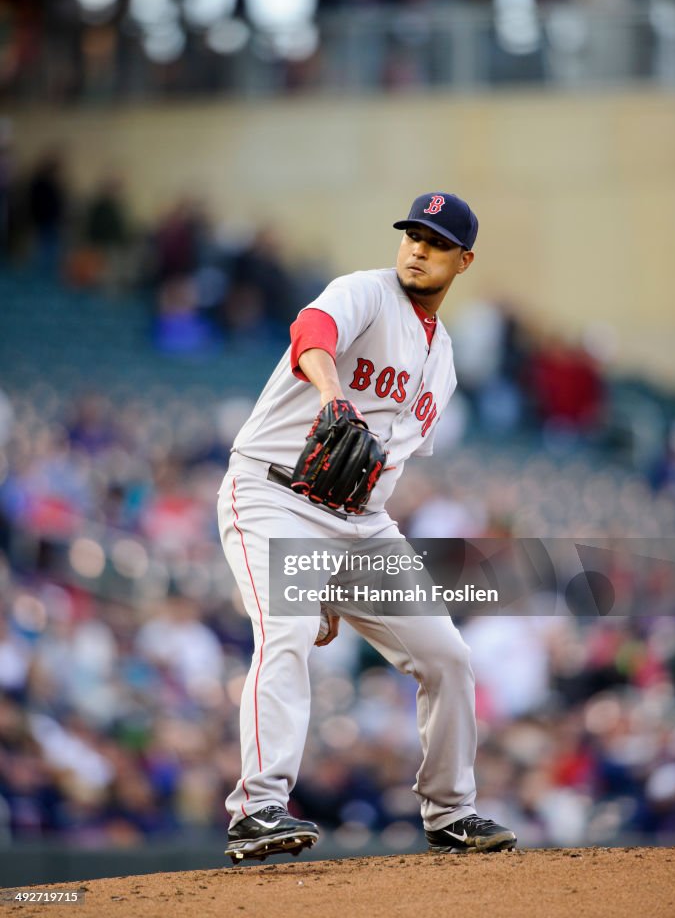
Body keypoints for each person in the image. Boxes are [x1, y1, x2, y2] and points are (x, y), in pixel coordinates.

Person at [217, 192, 517, 862]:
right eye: (412, 234)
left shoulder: (442, 364)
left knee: (447, 658)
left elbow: (383, 466)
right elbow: (310, 334)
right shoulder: (364, 293)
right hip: (274, 495)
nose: (417, 248)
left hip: (359, 524)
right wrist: (331, 392)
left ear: (462, 260)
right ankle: (259, 808)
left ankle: (449, 813)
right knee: (287, 632)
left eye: (436, 242)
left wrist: (331, 572)